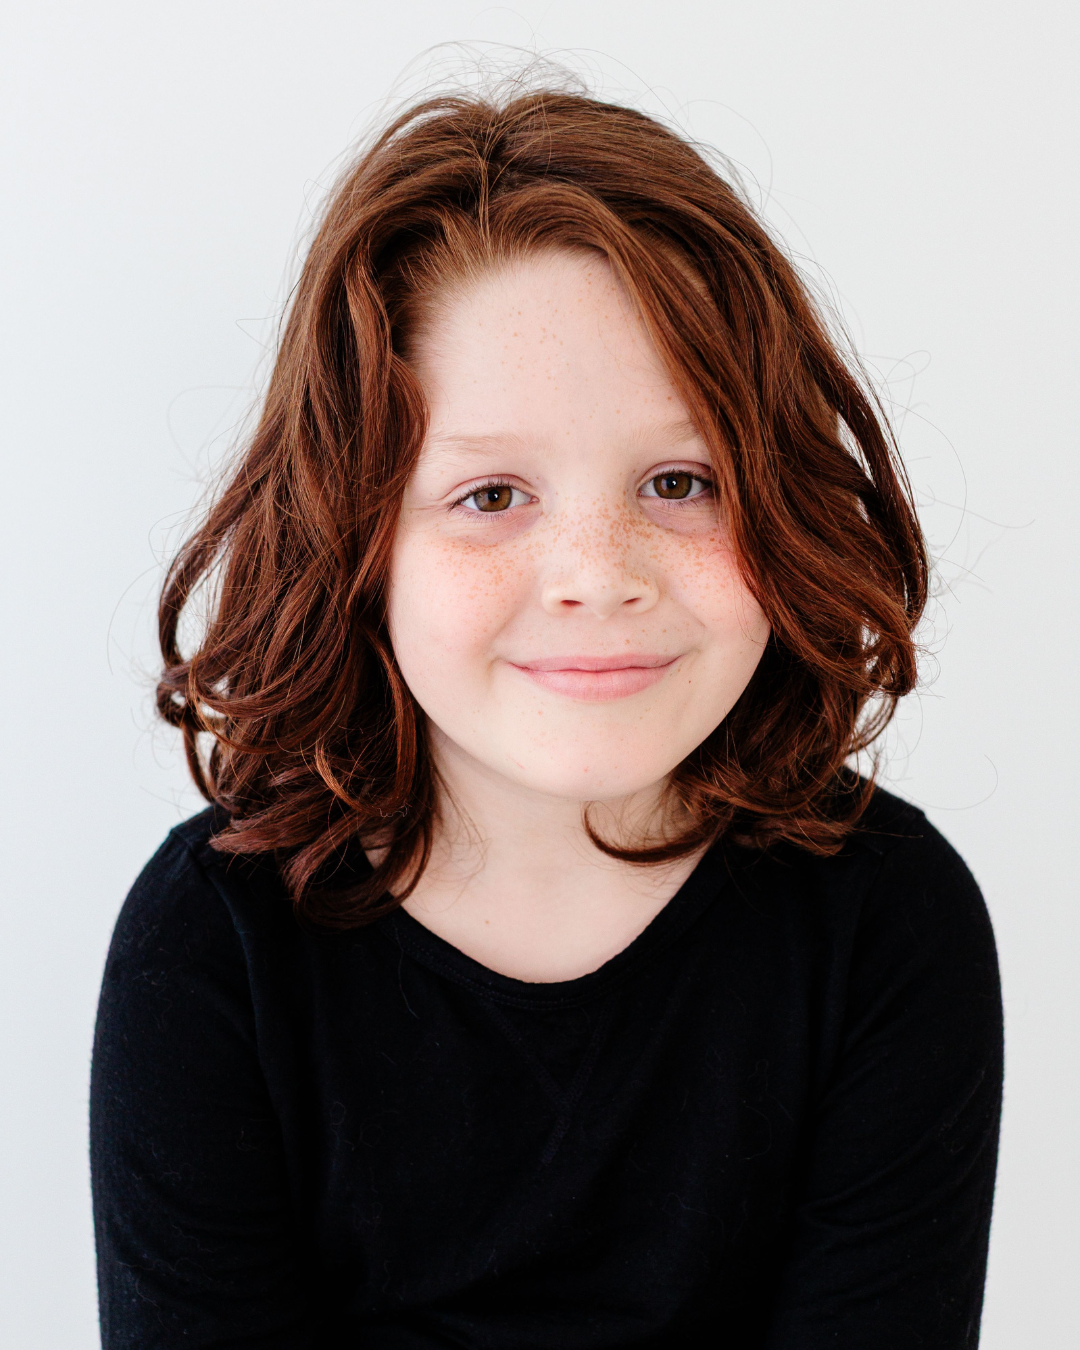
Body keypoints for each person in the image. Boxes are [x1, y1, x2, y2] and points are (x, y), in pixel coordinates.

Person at [90, 87, 1003, 1348]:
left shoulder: (887, 920)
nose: (597, 569)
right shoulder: (214, 943)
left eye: (680, 481)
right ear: (358, 542)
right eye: (492, 493)